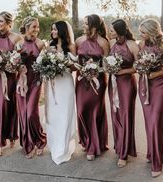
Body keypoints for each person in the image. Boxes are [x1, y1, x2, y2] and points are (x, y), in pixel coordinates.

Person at [138, 18, 163, 178]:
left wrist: (155, 74)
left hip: (159, 86)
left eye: (144, 32)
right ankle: (153, 153)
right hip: (144, 86)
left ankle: (157, 162)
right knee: (149, 123)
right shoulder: (141, 44)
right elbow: (137, 62)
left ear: (152, 32)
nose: (142, 35)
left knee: (156, 122)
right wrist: (139, 68)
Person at [0, 11, 23, 159]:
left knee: (7, 106)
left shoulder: (16, 38)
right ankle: (11, 135)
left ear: (9, 23)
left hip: (10, 78)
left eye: (1, 21)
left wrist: (8, 65)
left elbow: (19, 59)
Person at [75, 14, 109, 161]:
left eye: (86, 23)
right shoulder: (79, 40)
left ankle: (94, 146)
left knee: (95, 110)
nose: (83, 26)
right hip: (81, 80)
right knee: (82, 110)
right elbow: (75, 60)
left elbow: (107, 65)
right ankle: (86, 139)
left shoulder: (103, 42)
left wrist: (95, 70)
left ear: (93, 26)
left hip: (98, 81)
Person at [108, 19, 139, 168]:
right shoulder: (111, 44)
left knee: (126, 115)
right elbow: (106, 62)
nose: (110, 32)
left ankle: (124, 152)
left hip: (126, 83)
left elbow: (139, 66)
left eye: (112, 30)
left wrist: (123, 71)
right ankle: (119, 146)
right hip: (112, 83)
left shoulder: (132, 45)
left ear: (119, 31)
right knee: (115, 115)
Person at [45, 20, 76, 165]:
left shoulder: (71, 47)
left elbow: (75, 67)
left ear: (62, 31)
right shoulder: (49, 46)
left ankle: (63, 148)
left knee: (65, 114)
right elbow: (43, 64)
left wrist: (65, 64)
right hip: (53, 85)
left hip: (66, 84)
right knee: (53, 115)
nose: (53, 32)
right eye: (52, 30)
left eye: (55, 30)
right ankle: (54, 144)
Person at [17, 16, 46, 158]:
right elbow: (13, 62)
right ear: (27, 27)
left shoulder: (40, 44)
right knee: (23, 113)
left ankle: (39, 140)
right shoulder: (18, 43)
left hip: (35, 81)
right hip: (21, 82)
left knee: (31, 113)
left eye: (38, 27)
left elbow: (44, 64)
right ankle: (28, 144)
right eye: (34, 27)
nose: (37, 29)